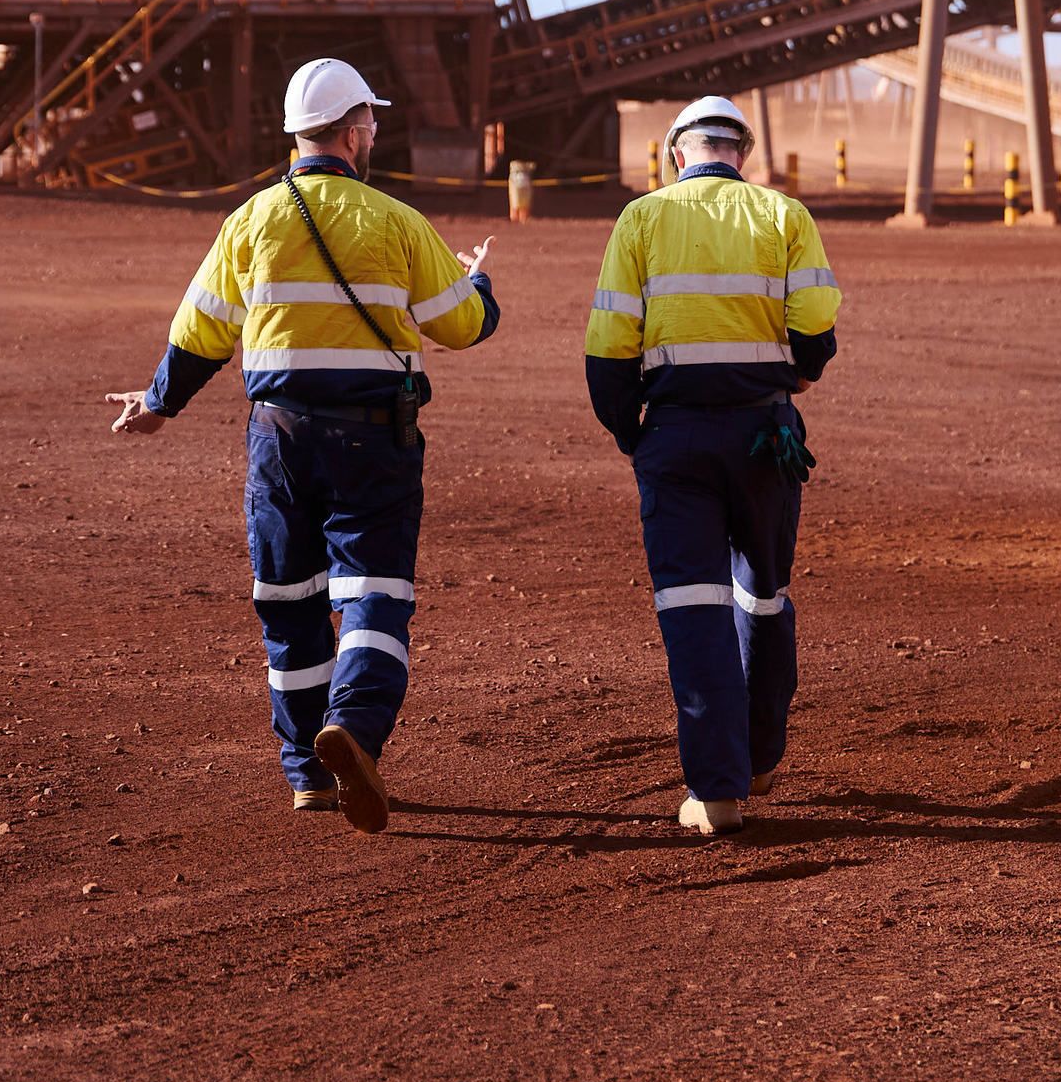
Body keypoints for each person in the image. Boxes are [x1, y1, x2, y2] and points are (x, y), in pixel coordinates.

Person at [105, 58, 497, 833]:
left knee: (288, 601)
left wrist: (158, 404)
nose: (373, 135)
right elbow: (461, 327)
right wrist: (478, 283)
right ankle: (353, 727)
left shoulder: (250, 221)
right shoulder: (396, 220)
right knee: (375, 594)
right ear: (351, 133)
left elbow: (200, 333)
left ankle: (309, 776)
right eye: (371, 124)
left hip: (278, 439)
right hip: (375, 439)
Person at [583, 95, 842, 837]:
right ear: (743, 154)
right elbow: (816, 328)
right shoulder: (784, 215)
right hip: (765, 435)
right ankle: (759, 759)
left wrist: (632, 434)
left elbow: (609, 346)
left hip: (676, 438)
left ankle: (717, 791)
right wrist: (795, 379)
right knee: (763, 599)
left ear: (676, 154)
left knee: (692, 609)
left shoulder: (641, 219)